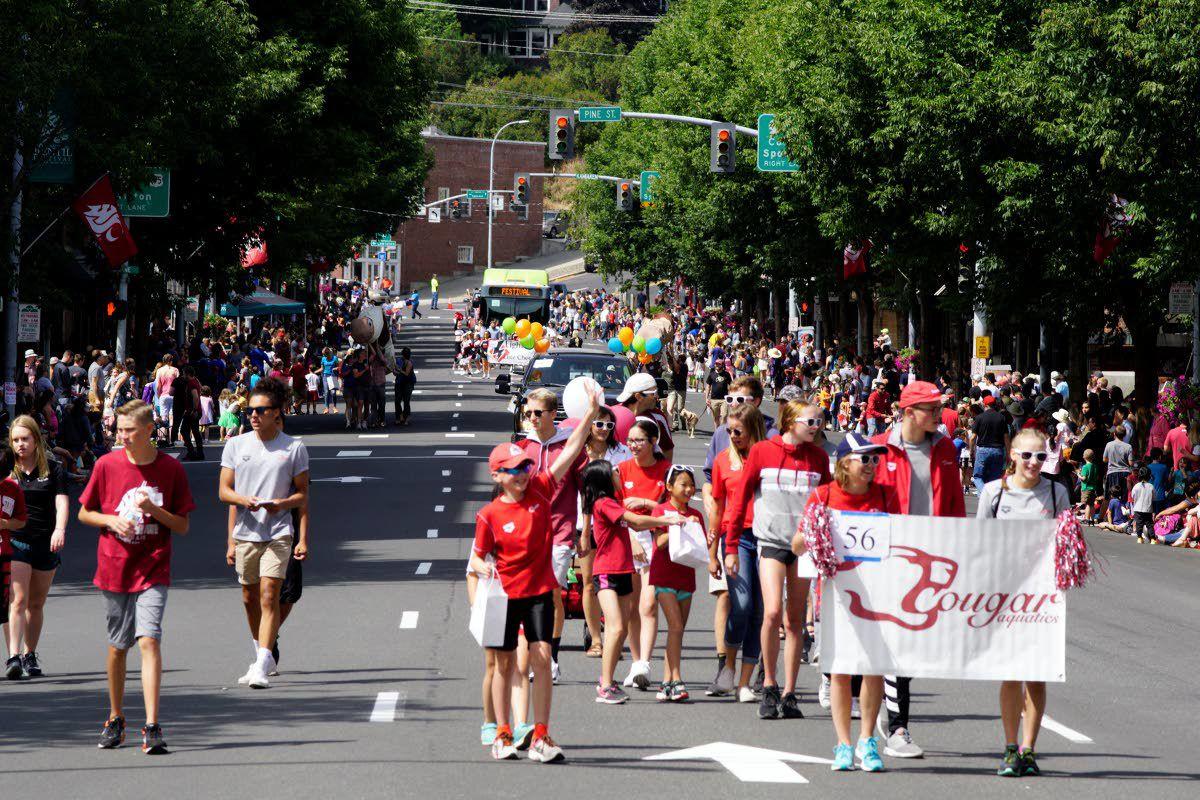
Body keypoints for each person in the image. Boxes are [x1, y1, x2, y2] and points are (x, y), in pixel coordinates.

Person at [469, 388, 599, 762]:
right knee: (505, 663)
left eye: (525, 467)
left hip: (540, 591)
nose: (523, 475)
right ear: (498, 475)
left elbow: (572, 450)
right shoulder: (489, 515)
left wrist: (589, 415)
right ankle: (502, 732)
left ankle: (541, 734)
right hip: (505, 594)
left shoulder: (542, 488)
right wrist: (486, 567)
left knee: (541, 657)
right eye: (513, 471)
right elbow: (477, 559)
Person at [78, 400, 194, 754]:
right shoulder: (106, 464)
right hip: (114, 566)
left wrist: (153, 509)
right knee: (118, 647)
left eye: (129, 430)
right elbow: (85, 513)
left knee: (149, 640)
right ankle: (115, 717)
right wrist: (110, 520)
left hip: (153, 566)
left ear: (148, 431)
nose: (121, 436)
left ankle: (152, 725)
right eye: (119, 430)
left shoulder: (170, 469)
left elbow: (183, 526)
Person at [794, 431, 899, 772]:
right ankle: (843, 743)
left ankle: (868, 741)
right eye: (864, 459)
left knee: (872, 670)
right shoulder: (823, 495)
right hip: (836, 598)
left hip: (878, 598)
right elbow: (796, 545)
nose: (871, 465)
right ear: (843, 463)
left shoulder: (885, 495)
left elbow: (903, 539)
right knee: (840, 671)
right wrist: (815, 532)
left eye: (874, 459)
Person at [872, 380, 966, 759]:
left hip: (931, 561)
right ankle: (898, 728)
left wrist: (961, 552)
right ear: (909, 411)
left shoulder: (944, 448)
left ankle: (887, 707)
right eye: (931, 408)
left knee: (911, 648)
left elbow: (956, 503)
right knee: (898, 646)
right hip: (889, 559)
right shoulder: (879, 447)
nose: (938, 414)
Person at [724, 400, 832, 720]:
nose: (816, 426)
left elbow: (827, 501)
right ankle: (769, 683)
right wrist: (731, 546)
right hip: (770, 542)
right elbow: (741, 497)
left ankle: (789, 691)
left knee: (794, 619)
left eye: (819, 421)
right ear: (789, 421)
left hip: (803, 548)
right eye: (810, 421)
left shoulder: (819, 457)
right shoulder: (762, 452)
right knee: (771, 612)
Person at [976, 428, 1071, 778]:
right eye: (1027, 455)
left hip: (1043, 599)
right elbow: (979, 545)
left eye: (1040, 456)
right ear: (1012, 454)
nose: (1033, 462)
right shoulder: (993, 493)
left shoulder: (1056, 492)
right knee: (1011, 674)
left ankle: (1030, 750)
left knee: (1036, 675)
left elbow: (1067, 543)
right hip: (1005, 598)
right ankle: (1010, 746)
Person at [219, 377, 310, 689]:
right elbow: (224, 491)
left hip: (279, 531)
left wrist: (283, 504)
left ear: (277, 412)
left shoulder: (294, 448)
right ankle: (262, 652)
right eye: (250, 410)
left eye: (260, 410)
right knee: (249, 597)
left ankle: (260, 664)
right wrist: (242, 506)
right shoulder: (235, 445)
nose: (253, 415)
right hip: (246, 532)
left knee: (270, 594)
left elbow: (302, 496)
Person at [581, 459, 684, 705]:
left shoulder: (613, 503)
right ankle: (605, 685)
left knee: (623, 627)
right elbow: (637, 521)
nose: (618, 474)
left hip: (623, 570)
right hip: (606, 571)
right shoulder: (604, 503)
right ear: (605, 478)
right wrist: (667, 521)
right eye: (613, 472)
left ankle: (609, 680)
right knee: (616, 627)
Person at [516, 387, 588, 683]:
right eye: (528, 412)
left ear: (552, 413)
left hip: (561, 531)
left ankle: (551, 658)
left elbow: (586, 490)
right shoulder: (523, 447)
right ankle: (537, 653)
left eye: (537, 413)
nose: (532, 418)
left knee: (551, 594)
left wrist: (585, 529)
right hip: (529, 535)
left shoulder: (567, 447)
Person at [705, 402, 768, 702]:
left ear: (754, 429)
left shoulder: (768, 458)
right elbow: (717, 506)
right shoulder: (722, 461)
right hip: (737, 538)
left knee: (760, 611)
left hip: (767, 538)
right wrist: (713, 550)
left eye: (738, 431)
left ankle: (744, 682)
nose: (732, 436)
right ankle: (727, 666)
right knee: (741, 605)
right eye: (729, 431)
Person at [6, 417, 69, 678]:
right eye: (16, 440)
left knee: (36, 603)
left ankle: (29, 654)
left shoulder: (53, 469)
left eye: (25, 439)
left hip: (46, 541)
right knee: (17, 600)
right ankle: (13, 657)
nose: (20, 444)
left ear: (35, 440)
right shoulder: (7, 468)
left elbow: (62, 504)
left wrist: (59, 529)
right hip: (15, 540)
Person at [616, 420, 673, 690]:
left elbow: (674, 507)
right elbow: (614, 512)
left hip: (657, 539)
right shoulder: (622, 470)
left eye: (639, 440)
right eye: (630, 441)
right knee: (630, 607)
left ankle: (644, 664)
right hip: (627, 540)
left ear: (653, 442)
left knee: (648, 605)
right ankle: (636, 662)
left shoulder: (666, 471)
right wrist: (630, 537)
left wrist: (646, 503)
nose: (633, 445)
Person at [577, 406, 632, 657]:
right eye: (599, 424)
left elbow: (628, 487)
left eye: (609, 426)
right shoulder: (577, 451)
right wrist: (584, 532)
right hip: (585, 524)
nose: (603, 430)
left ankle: (612, 636)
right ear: (589, 425)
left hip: (615, 524)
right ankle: (596, 639)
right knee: (589, 583)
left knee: (614, 583)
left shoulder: (622, 453)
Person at [649, 465, 703, 701]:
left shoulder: (697, 514)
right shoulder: (660, 511)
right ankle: (677, 679)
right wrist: (676, 523)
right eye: (684, 484)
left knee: (677, 632)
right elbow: (659, 542)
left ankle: (666, 682)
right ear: (669, 487)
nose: (689, 489)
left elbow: (700, 546)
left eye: (691, 484)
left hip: (686, 576)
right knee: (676, 626)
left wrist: (695, 527)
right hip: (663, 576)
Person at [1, 472, 28, 679]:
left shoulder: (11, 487)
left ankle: (14, 657)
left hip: (4, 553)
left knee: (8, 603)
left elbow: (21, 520)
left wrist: (5, 524)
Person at [971, 395, 1010, 493]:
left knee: (978, 477)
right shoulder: (1001, 417)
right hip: (998, 450)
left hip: (983, 450)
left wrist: (971, 450)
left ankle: (986, 495)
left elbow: (973, 438)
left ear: (985, 404)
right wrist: (1008, 454)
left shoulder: (979, 418)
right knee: (994, 480)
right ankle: (990, 499)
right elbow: (1006, 438)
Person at [1129, 467, 1155, 542]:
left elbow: (1132, 496)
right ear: (1149, 476)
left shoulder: (1136, 486)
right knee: (1149, 524)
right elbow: (1154, 497)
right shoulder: (1151, 486)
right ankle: (1153, 539)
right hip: (1148, 509)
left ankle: (1139, 537)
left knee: (1139, 523)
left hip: (1137, 508)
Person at [394, 346, 416, 426]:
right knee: (397, 400)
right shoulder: (398, 360)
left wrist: (399, 370)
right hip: (399, 382)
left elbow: (406, 373)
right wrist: (396, 371)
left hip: (408, 383)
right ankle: (399, 417)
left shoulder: (409, 363)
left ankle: (406, 417)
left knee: (406, 401)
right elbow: (394, 371)